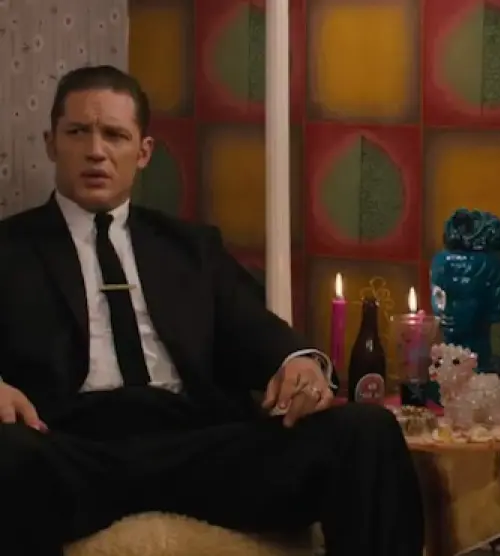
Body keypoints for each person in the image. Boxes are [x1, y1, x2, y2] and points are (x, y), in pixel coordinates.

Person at [0, 65, 423, 555]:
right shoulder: (10, 247)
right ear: (52, 144)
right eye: (78, 132)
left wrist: (298, 362)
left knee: (365, 431)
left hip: (195, 445)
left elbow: (253, 328)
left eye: (115, 135)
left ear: (143, 152)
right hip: (69, 450)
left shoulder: (190, 247)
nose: (96, 151)